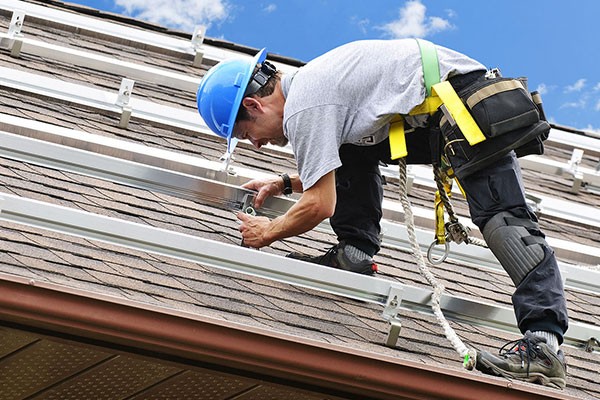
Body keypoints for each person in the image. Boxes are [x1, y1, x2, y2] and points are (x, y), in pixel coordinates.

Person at [196, 39, 569, 389]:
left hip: (466, 108)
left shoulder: (304, 106)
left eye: (248, 136)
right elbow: (333, 165)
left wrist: (268, 232)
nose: (258, 144)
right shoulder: (312, 88)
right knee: (351, 150)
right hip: (445, 110)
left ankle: (544, 346)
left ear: (253, 106)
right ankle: (354, 253)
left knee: (505, 225)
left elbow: (320, 205)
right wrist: (287, 182)